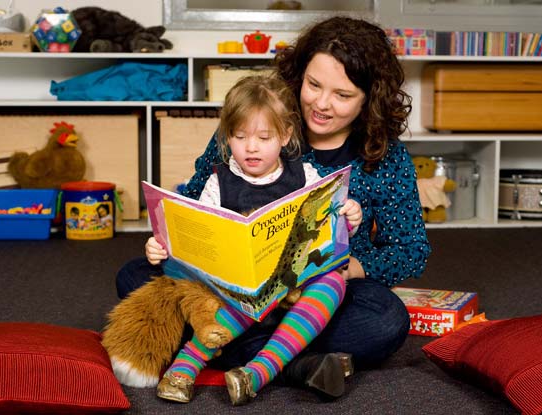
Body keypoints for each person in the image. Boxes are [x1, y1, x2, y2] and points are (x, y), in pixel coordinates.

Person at [116, 15, 430, 403]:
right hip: (229, 287)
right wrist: (176, 244)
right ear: (299, 77)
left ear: (370, 100)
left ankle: (238, 351)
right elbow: (195, 203)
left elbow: (411, 251)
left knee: (386, 321)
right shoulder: (256, 125)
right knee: (135, 277)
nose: (321, 104)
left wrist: (353, 267)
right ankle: (297, 363)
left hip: (316, 292)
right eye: (313, 85)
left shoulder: (387, 158)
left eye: (343, 95)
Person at [147, 75, 362, 405]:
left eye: (264, 137)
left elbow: (331, 231)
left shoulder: (305, 175)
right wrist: (162, 247)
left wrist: (349, 216)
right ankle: (184, 368)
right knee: (229, 295)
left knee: (334, 282)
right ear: (227, 136)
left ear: (285, 135)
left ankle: (258, 372)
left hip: (296, 283)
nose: (251, 147)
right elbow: (198, 236)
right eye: (239, 136)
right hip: (239, 288)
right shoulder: (219, 182)